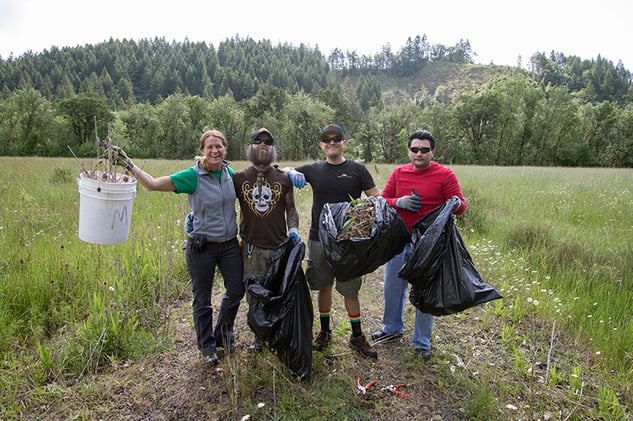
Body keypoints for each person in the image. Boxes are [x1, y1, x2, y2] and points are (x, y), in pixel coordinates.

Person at [113, 129, 245, 366]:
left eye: (219, 146)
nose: (215, 150)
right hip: (201, 247)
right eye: (210, 147)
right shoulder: (192, 176)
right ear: (202, 150)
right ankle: (207, 347)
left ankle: (224, 333)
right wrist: (127, 164)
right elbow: (153, 184)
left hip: (229, 245)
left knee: (237, 289)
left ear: (225, 149)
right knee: (202, 298)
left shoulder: (230, 173)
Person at [287, 124, 380, 359]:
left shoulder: (358, 170)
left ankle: (357, 336)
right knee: (323, 285)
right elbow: (282, 173)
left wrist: (367, 225)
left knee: (350, 288)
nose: (331, 142)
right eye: (326, 139)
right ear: (321, 145)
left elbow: (377, 200)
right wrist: (291, 170)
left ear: (343, 142)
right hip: (319, 238)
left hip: (349, 241)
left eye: (336, 138)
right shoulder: (314, 169)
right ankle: (325, 331)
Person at [373, 129, 467, 359]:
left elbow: (462, 206)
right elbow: (383, 201)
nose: (419, 154)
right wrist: (400, 202)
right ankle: (391, 329)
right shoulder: (399, 173)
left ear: (432, 152)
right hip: (400, 240)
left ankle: (421, 342)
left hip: (430, 245)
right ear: (409, 150)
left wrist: (455, 204)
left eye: (424, 150)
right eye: (415, 149)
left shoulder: (445, 175)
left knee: (425, 292)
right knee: (393, 288)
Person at [233, 127, 300, 353]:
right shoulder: (238, 178)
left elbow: (291, 209)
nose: (262, 145)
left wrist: (293, 229)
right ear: (250, 146)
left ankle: (279, 335)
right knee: (255, 295)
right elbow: (219, 201)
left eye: (267, 142)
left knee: (279, 293)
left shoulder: (284, 178)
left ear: (273, 148)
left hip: (279, 248)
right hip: (252, 250)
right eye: (257, 141)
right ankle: (259, 338)